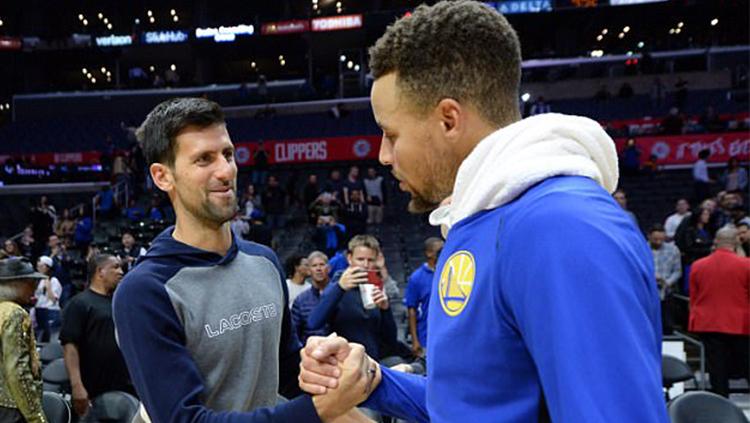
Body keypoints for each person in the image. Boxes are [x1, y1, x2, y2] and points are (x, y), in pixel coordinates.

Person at [298, 2, 668, 422]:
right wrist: (376, 381)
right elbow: (479, 403)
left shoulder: (562, 227)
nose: (383, 155)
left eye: (391, 133)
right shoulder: (490, 217)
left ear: (449, 120)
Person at [112, 97, 368, 422]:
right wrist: (316, 411)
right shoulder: (145, 292)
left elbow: (286, 369)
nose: (225, 171)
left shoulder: (263, 261)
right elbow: (184, 420)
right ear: (163, 177)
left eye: (228, 154)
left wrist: (322, 369)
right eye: (204, 159)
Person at [60, 254, 134, 418]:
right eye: (115, 267)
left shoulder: (119, 302)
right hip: (93, 388)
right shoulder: (79, 303)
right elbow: (70, 346)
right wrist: (77, 385)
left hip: (124, 385)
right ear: (100, 271)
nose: (121, 272)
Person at [307, 235, 398, 362]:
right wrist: (340, 288)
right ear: (349, 258)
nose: (366, 265)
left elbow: (390, 339)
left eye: (370, 260)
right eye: (360, 259)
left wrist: (385, 309)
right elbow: (313, 322)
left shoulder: (375, 285)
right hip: (343, 364)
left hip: (371, 364)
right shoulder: (337, 284)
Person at [688, 227, 750, 397]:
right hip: (741, 324)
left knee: (717, 373)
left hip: (709, 324)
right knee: (747, 367)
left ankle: (722, 410)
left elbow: (694, 297)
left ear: (715, 241)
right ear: (736, 241)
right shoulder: (746, 265)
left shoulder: (698, 266)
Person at [0, 258, 47, 423]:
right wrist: (36, 417)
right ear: (16, 284)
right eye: (31, 282)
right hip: (10, 407)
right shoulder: (14, 313)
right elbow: (18, 372)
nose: (35, 288)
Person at [404, 237, 443, 358]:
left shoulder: (450, 271)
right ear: (428, 253)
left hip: (447, 333)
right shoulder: (417, 278)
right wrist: (415, 341)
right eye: (440, 250)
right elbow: (411, 310)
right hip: (427, 336)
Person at [292, 251, 332, 344]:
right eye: (314, 266)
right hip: (311, 352)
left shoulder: (339, 295)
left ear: (329, 268)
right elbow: (295, 332)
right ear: (309, 270)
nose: (318, 269)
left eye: (322, 265)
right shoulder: (301, 300)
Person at [647, 226, 681, 335]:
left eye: (661, 239)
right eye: (655, 239)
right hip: (647, 293)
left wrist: (667, 282)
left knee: (667, 325)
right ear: (649, 236)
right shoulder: (641, 249)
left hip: (666, 293)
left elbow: (677, 271)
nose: (658, 242)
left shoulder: (673, 250)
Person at [33, 256, 62, 343]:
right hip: (39, 310)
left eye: (42, 266)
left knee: (51, 336)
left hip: (50, 310)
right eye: (38, 266)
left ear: (47, 267)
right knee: (41, 335)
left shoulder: (54, 280)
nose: (39, 269)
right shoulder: (37, 281)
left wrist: (48, 287)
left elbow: (54, 299)